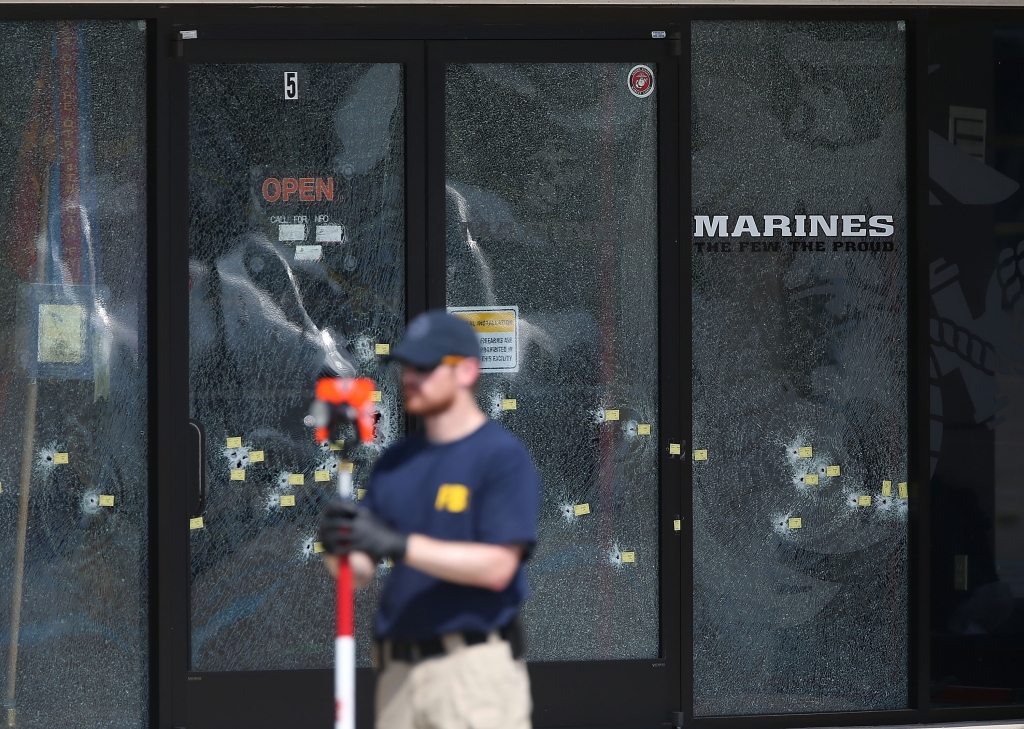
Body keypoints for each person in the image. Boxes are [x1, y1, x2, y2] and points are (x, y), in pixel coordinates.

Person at [318, 309, 540, 729]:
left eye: (425, 366)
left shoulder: (501, 459)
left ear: (467, 371)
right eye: (405, 366)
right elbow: (361, 570)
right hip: (398, 677)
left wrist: (399, 545)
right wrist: (338, 542)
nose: (409, 378)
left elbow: (498, 568)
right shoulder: (395, 464)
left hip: (472, 677)